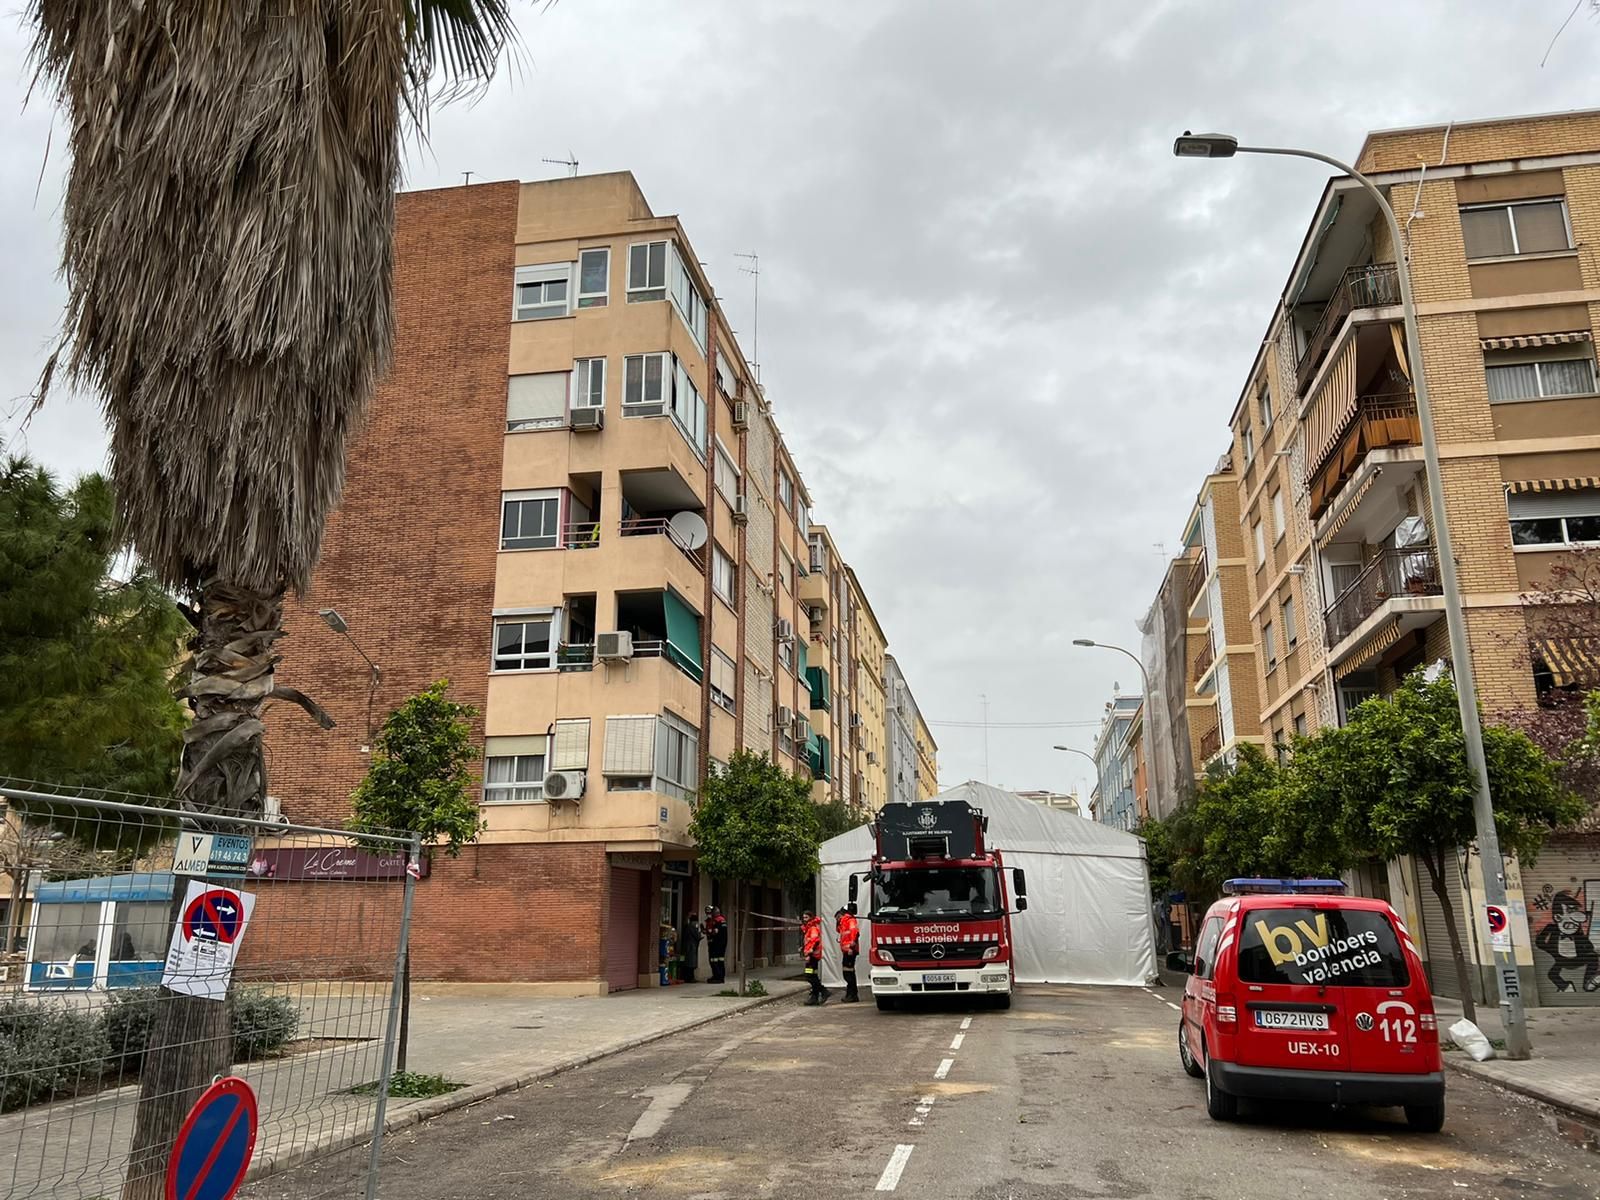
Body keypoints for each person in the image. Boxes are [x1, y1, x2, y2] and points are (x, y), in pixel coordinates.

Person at [801, 909, 830, 1006]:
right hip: (812, 955)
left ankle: (823, 991)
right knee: (812, 976)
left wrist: (809, 953)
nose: (804, 919)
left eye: (806, 917)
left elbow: (814, 941)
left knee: (810, 976)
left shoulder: (813, 928)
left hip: (813, 956)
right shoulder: (809, 928)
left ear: (811, 917)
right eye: (803, 917)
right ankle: (815, 997)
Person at [835, 906, 860, 1002]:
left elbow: (855, 933)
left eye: (837, 918)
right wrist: (838, 922)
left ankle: (852, 995)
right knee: (848, 972)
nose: (837, 920)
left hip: (850, 951)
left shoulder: (850, 920)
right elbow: (838, 931)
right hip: (847, 951)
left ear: (840, 915)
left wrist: (851, 948)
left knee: (848, 973)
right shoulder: (844, 923)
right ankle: (851, 994)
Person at [704, 906, 728, 984]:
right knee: (720, 960)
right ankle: (719, 976)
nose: (708, 914)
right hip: (720, 944)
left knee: (714, 960)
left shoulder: (717, 921)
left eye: (710, 913)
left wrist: (707, 931)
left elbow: (714, 932)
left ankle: (717, 977)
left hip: (716, 944)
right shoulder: (722, 920)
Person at [680, 913, 703, 983]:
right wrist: (700, 934)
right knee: (691, 962)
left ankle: (688, 977)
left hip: (688, 946)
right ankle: (690, 978)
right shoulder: (693, 926)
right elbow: (697, 935)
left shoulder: (688, 926)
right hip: (691, 946)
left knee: (688, 962)